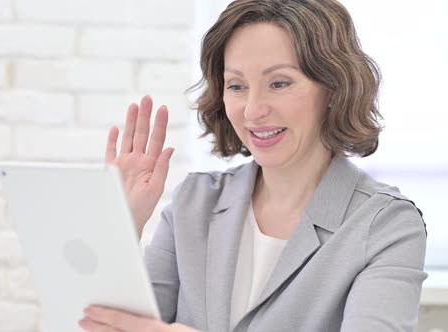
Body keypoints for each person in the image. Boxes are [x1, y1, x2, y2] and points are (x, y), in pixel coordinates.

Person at [79, 0, 427, 331]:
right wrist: (120, 227)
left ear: (334, 88)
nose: (252, 110)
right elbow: (106, 326)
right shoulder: (194, 203)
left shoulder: (386, 226)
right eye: (237, 86)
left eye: (279, 83)